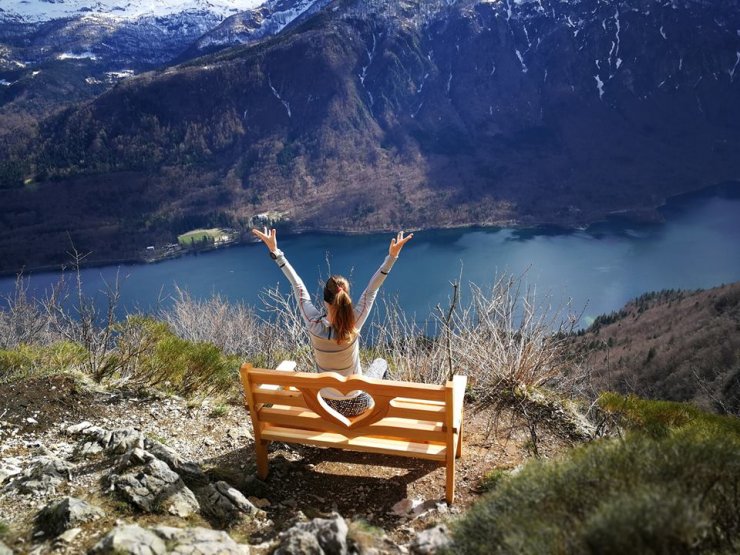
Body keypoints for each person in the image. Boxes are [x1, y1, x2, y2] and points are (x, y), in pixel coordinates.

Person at [251, 227, 413, 417]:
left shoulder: (313, 323)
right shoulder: (354, 324)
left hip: (324, 404)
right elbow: (371, 291)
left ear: (324, 300)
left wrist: (276, 253)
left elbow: (297, 285)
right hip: (357, 404)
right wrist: (391, 257)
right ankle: (383, 416)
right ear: (346, 298)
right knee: (380, 362)